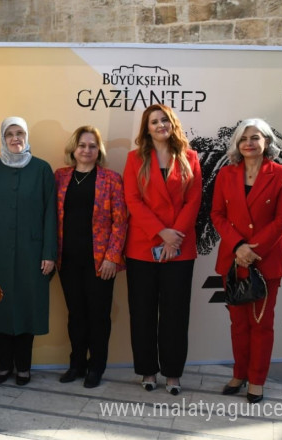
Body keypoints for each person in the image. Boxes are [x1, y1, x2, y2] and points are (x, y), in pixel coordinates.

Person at [210, 118, 282, 404]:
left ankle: (257, 379)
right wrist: (238, 247)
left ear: (267, 142)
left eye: (255, 137)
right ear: (237, 143)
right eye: (244, 138)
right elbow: (217, 216)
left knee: (261, 324)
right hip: (233, 261)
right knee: (238, 324)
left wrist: (251, 249)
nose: (249, 142)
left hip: (265, 261)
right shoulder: (225, 175)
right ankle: (239, 374)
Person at [123, 103, 202, 395]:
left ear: (172, 124)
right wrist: (161, 232)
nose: (160, 125)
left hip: (180, 248)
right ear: (147, 128)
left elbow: (194, 201)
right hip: (143, 247)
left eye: (164, 120)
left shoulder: (190, 157)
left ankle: (172, 374)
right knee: (142, 312)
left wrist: (174, 236)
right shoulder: (134, 159)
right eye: (154, 121)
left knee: (175, 314)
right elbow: (132, 200)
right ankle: (147, 370)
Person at [0, 116, 57, 386]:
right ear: (3, 137)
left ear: (26, 136)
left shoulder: (42, 169)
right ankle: (4, 366)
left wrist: (49, 253)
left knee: (26, 306)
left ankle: (24, 367)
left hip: (32, 252)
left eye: (20, 132)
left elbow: (50, 215)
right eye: (9, 133)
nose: (15, 138)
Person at [54, 125, 127, 388]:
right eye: (82, 145)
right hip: (68, 260)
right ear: (74, 148)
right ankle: (76, 364)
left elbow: (120, 222)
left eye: (92, 146)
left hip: (100, 262)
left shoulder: (111, 179)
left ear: (99, 151)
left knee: (98, 316)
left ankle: (96, 367)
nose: (87, 150)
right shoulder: (59, 177)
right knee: (76, 315)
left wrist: (111, 257)